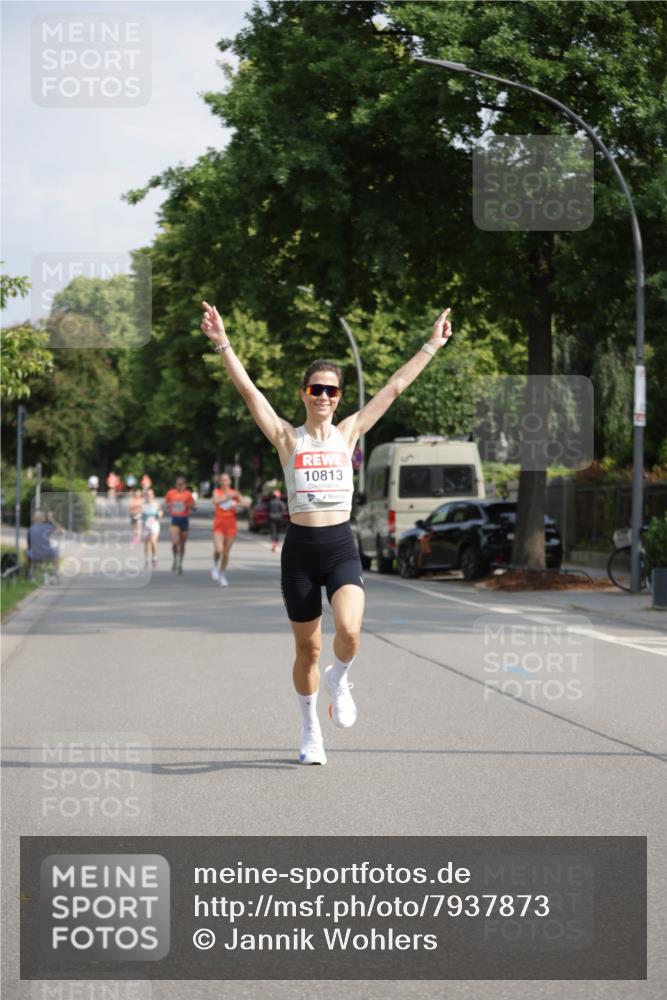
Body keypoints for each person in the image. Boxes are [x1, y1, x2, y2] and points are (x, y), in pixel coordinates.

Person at [201, 300, 453, 766]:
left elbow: (394, 388)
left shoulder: (350, 432)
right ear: (303, 393)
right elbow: (249, 392)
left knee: (350, 633)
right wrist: (223, 343)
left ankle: (341, 678)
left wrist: (431, 345)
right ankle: (310, 727)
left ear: (338, 398)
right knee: (307, 648)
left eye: (331, 391)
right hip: (299, 552)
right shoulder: (286, 438)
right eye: (316, 389)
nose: (323, 397)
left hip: (339, 547)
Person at [211, 472, 251, 586]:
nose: (224, 482)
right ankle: (214, 565)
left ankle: (222, 574)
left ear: (230, 481)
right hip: (218, 524)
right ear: (220, 482)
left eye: (226, 480)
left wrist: (236, 503)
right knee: (219, 550)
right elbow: (215, 501)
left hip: (231, 525)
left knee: (226, 553)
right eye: (222, 480)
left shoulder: (235, 493)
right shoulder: (217, 492)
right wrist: (227, 497)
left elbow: (246, 504)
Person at [164, 475, 197, 573]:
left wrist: (190, 505)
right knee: (175, 542)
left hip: (184, 520)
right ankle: (175, 559)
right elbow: (165, 504)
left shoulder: (188, 494)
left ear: (185, 485)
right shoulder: (170, 493)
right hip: (174, 520)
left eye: (182, 484)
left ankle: (180, 563)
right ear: (176, 484)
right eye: (178, 484)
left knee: (182, 544)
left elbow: (195, 507)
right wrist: (168, 505)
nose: (180, 486)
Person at [26, 509, 64, 582]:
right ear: (42, 519)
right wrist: (51, 519)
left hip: (34, 555)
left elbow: (29, 544)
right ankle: (54, 572)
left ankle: (30, 574)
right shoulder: (47, 527)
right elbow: (61, 531)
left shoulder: (30, 529)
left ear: (34, 519)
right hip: (47, 554)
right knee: (56, 549)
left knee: (26, 552)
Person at [141, 488, 163, 568]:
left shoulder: (156, 503)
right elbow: (139, 514)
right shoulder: (143, 504)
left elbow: (161, 512)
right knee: (146, 545)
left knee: (153, 542)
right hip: (146, 526)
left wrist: (160, 514)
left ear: (153, 495)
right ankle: (147, 560)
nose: (149, 496)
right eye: (147, 494)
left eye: (150, 494)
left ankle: (154, 557)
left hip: (154, 525)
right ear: (145, 495)